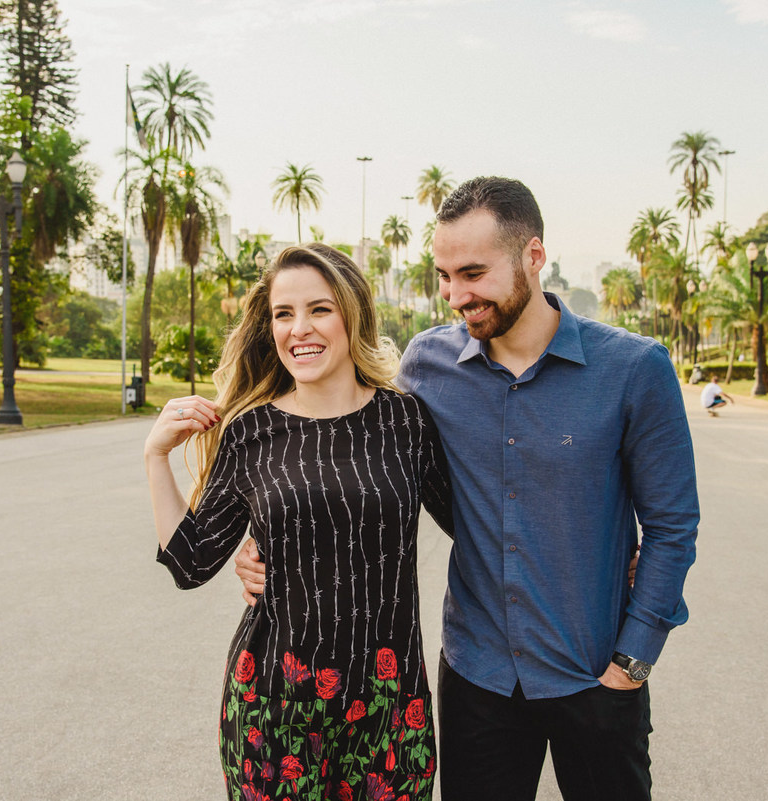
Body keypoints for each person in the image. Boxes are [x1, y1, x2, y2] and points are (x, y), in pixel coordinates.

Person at [237, 177, 698, 801]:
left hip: (596, 675)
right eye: (445, 276)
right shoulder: (426, 366)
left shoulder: (635, 370)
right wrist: (267, 537)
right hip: (478, 680)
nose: (456, 295)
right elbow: (354, 453)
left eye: (474, 274)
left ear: (533, 256)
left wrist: (632, 664)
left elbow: (672, 527)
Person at [144, 243, 453, 801]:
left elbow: (475, 523)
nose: (299, 328)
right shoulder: (250, 432)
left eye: (319, 309)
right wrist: (155, 456)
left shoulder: (406, 421)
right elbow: (191, 564)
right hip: (272, 705)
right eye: (283, 313)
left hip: (389, 707)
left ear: (352, 314)